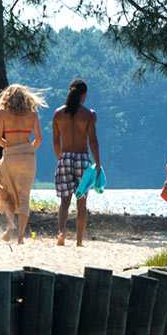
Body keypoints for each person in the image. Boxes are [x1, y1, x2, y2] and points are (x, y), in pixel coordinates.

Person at [0, 84, 44, 245]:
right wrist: (27, 149)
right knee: (24, 196)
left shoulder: (3, 113)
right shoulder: (32, 114)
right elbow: (39, 138)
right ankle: (20, 237)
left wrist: (11, 147)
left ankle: (10, 224)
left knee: (5, 191)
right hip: (28, 156)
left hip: (10, 155)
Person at [52, 78, 101, 246]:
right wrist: (98, 163)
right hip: (82, 158)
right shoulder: (88, 114)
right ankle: (79, 240)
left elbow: (56, 142)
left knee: (64, 202)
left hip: (65, 157)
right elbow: (93, 141)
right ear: (84, 95)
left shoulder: (58, 113)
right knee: (82, 201)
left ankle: (61, 233)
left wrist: (60, 159)